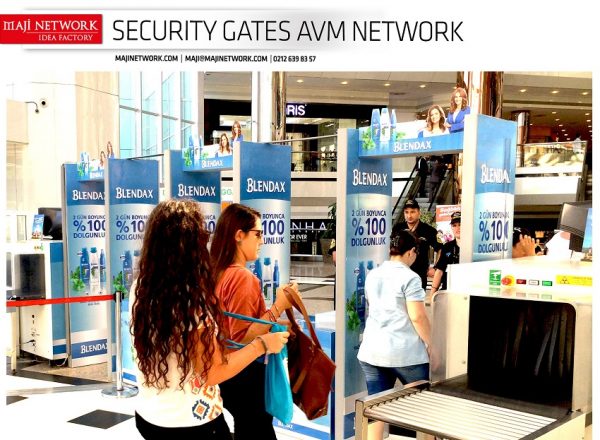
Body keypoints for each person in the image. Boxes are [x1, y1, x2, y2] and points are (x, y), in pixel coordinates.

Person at [130, 199, 289, 440]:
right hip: (193, 420)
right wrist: (263, 344)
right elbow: (212, 372)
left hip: (150, 415)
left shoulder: (141, 288)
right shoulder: (191, 300)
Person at [210, 203, 299, 440]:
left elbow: (232, 326)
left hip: (224, 370)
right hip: (245, 373)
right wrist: (278, 306)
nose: (262, 241)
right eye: (258, 234)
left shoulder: (217, 272)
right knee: (256, 430)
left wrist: (276, 324)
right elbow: (243, 337)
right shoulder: (242, 277)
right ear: (239, 235)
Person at [357, 228, 432, 440]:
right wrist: (432, 343)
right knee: (423, 409)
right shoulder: (411, 278)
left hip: (373, 351)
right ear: (411, 252)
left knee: (376, 408)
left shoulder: (373, 274)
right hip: (406, 354)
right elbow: (418, 317)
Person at [395, 199, 442, 289]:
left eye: (412, 212)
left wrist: (436, 268)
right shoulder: (398, 228)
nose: (409, 216)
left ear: (419, 212)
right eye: (406, 212)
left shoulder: (428, 230)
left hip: (419, 275)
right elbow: (392, 249)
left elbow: (440, 249)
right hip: (400, 274)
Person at [430, 211, 461, 294]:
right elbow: (439, 271)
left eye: (460, 224)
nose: (458, 228)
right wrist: (432, 293)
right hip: (448, 291)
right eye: (454, 225)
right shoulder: (447, 247)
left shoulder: (473, 247)